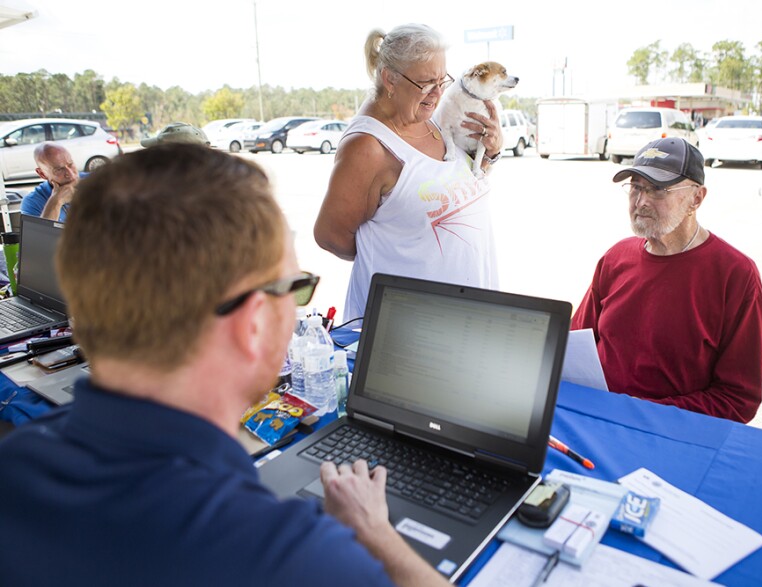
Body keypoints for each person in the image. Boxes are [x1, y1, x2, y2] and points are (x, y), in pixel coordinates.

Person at [0, 143, 447, 587]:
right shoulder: (292, 556)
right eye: (295, 288)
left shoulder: (17, 463)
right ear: (252, 324)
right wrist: (374, 532)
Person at [313, 23, 503, 321]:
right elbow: (330, 236)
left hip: (463, 319)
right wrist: (398, 248)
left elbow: (439, 197)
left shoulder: (429, 119)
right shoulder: (368, 147)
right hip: (406, 329)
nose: (438, 93)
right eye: (427, 83)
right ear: (390, 79)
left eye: (443, 81)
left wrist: (490, 155)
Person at [571, 137, 762, 423]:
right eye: (636, 187)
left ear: (696, 198)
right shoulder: (616, 258)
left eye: (658, 190)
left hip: (672, 433)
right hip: (600, 419)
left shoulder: (735, 275)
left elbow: (739, 399)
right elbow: (577, 346)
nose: (641, 202)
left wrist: (647, 412)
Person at [21, 142, 86, 221]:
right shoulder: (33, 201)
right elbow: (40, 233)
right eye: (59, 169)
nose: (71, 174)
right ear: (42, 174)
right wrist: (56, 202)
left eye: (70, 164)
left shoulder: (96, 181)